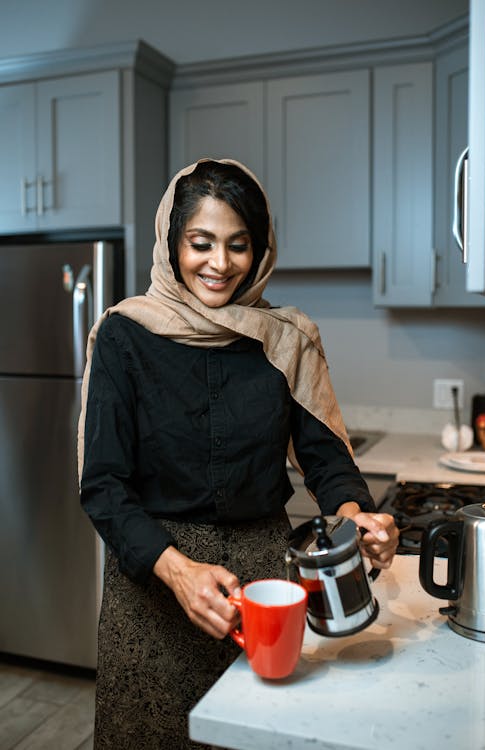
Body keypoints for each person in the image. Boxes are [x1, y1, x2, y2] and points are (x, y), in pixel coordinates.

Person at [78, 158, 399, 749]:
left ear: (261, 249)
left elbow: (326, 462)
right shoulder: (124, 336)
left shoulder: (288, 336)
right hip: (152, 589)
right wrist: (177, 570)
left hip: (262, 587)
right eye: (201, 243)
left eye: (238, 245)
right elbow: (103, 487)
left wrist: (358, 520)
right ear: (172, 243)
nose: (220, 264)